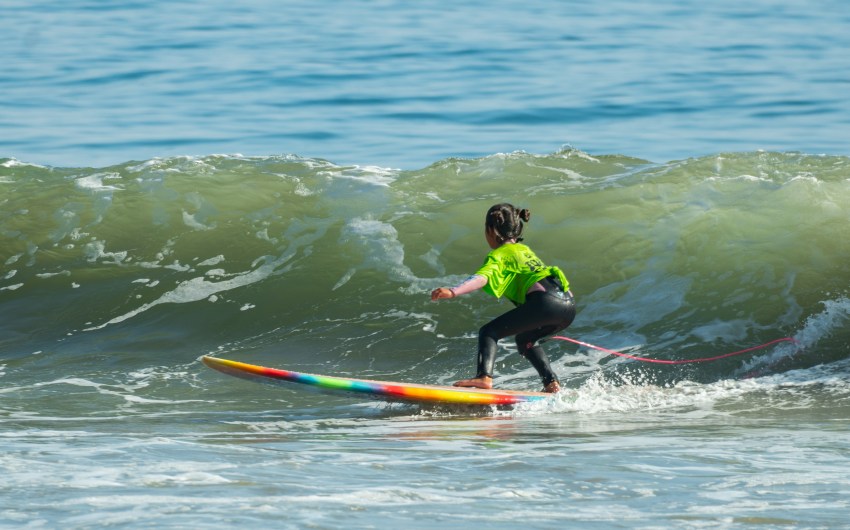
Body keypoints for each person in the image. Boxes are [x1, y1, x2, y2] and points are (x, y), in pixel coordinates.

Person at [430, 203, 576, 393]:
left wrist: (453, 291)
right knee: (525, 340)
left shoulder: (500, 255)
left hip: (546, 303)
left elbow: (482, 277)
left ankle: (484, 377)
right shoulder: (524, 251)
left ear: (491, 230)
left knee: (489, 332)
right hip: (568, 304)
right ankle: (551, 384)